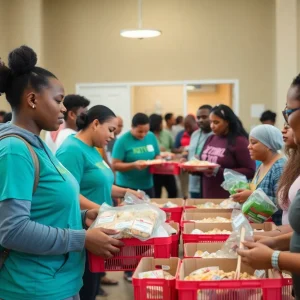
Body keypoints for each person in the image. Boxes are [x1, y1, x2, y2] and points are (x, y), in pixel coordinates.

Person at [0, 45, 122, 300]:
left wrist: (83, 215)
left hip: (61, 281)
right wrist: (82, 238)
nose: (65, 109)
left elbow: (44, 210)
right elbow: (13, 230)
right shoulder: (14, 150)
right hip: (33, 288)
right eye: (58, 100)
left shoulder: (38, 144)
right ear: (32, 99)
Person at [56, 105, 139, 298]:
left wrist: (127, 192)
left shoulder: (93, 149)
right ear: (95, 123)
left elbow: (101, 183)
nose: (112, 136)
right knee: (85, 288)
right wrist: (109, 212)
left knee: (92, 285)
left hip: (99, 222)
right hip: (83, 226)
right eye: (110, 130)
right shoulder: (71, 150)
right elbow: (70, 194)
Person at [237, 74, 300, 299]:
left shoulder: (281, 166)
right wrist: (273, 239)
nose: (286, 127)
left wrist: (274, 257)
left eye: (289, 114)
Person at [231, 124, 285, 225]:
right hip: (261, 227)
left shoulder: (279, 167)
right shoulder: (262, 164)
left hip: (276, 229)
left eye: (254, 143)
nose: (248, 147)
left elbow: (284, 203)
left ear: (268, 144)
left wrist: (252, 196)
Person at [201, 105, 256, 198]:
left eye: (216, 122)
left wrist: (219, 171)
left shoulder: (239, 141)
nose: (212, 126)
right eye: (210, 122)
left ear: (227, 122)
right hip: (208, 192)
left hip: (228, 196)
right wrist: (194, 169)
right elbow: (204, 164)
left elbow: (250, 171)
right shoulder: (211, 138)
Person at [112, 113, 160, 198]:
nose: (143, 134)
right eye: (140, 131)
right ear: (132, 126)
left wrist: (158, 160)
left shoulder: (151, 136)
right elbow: (115, 165)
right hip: (127, 186)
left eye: (146, 131)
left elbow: (157, 155)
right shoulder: (122, 141)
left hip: (148, 185)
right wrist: (133, 165)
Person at [188, 105, 213, 198]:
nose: (200, 120)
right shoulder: (195, 134)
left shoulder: (216, 135)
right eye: (198, 117)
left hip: (210, 185)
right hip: (193, 184)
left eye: (204, 117)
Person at [149, 113, 177, 198]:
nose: (162, 125)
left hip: (167, 167)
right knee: (157, 194)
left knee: (173, 191)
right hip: (155, 170)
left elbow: (173, 148)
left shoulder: (166, 133)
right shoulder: (147, 135)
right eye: (161, 123)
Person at [175, 114, 198, 198]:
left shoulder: (198, 134)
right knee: (184, 186)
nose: (187, 129)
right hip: (185, 162)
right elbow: (175, 148)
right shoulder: (180, 134)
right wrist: (181, 150)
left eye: (189, 126)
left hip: (196, 164)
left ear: (195, 123)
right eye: (185, 127)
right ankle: (184, 197)